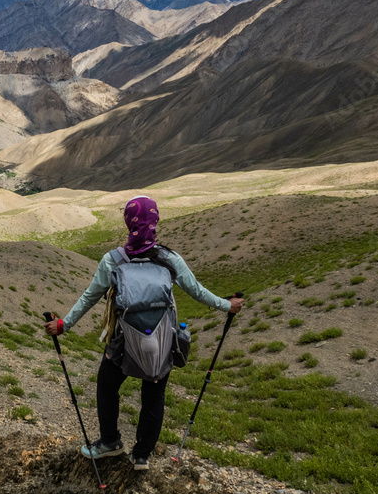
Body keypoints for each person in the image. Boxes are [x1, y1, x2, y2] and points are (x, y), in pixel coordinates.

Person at [44, 196, 243, 470]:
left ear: (129, 222)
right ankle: (141, 455)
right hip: (161, 341)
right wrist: (226, 305)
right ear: (156, 220)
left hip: (122, 342)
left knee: (107, 385)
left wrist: (64, 324)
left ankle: (110, 443)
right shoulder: (169, 258)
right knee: (153, 396)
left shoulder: (113, 260)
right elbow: (197, 292)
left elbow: (90, 297)